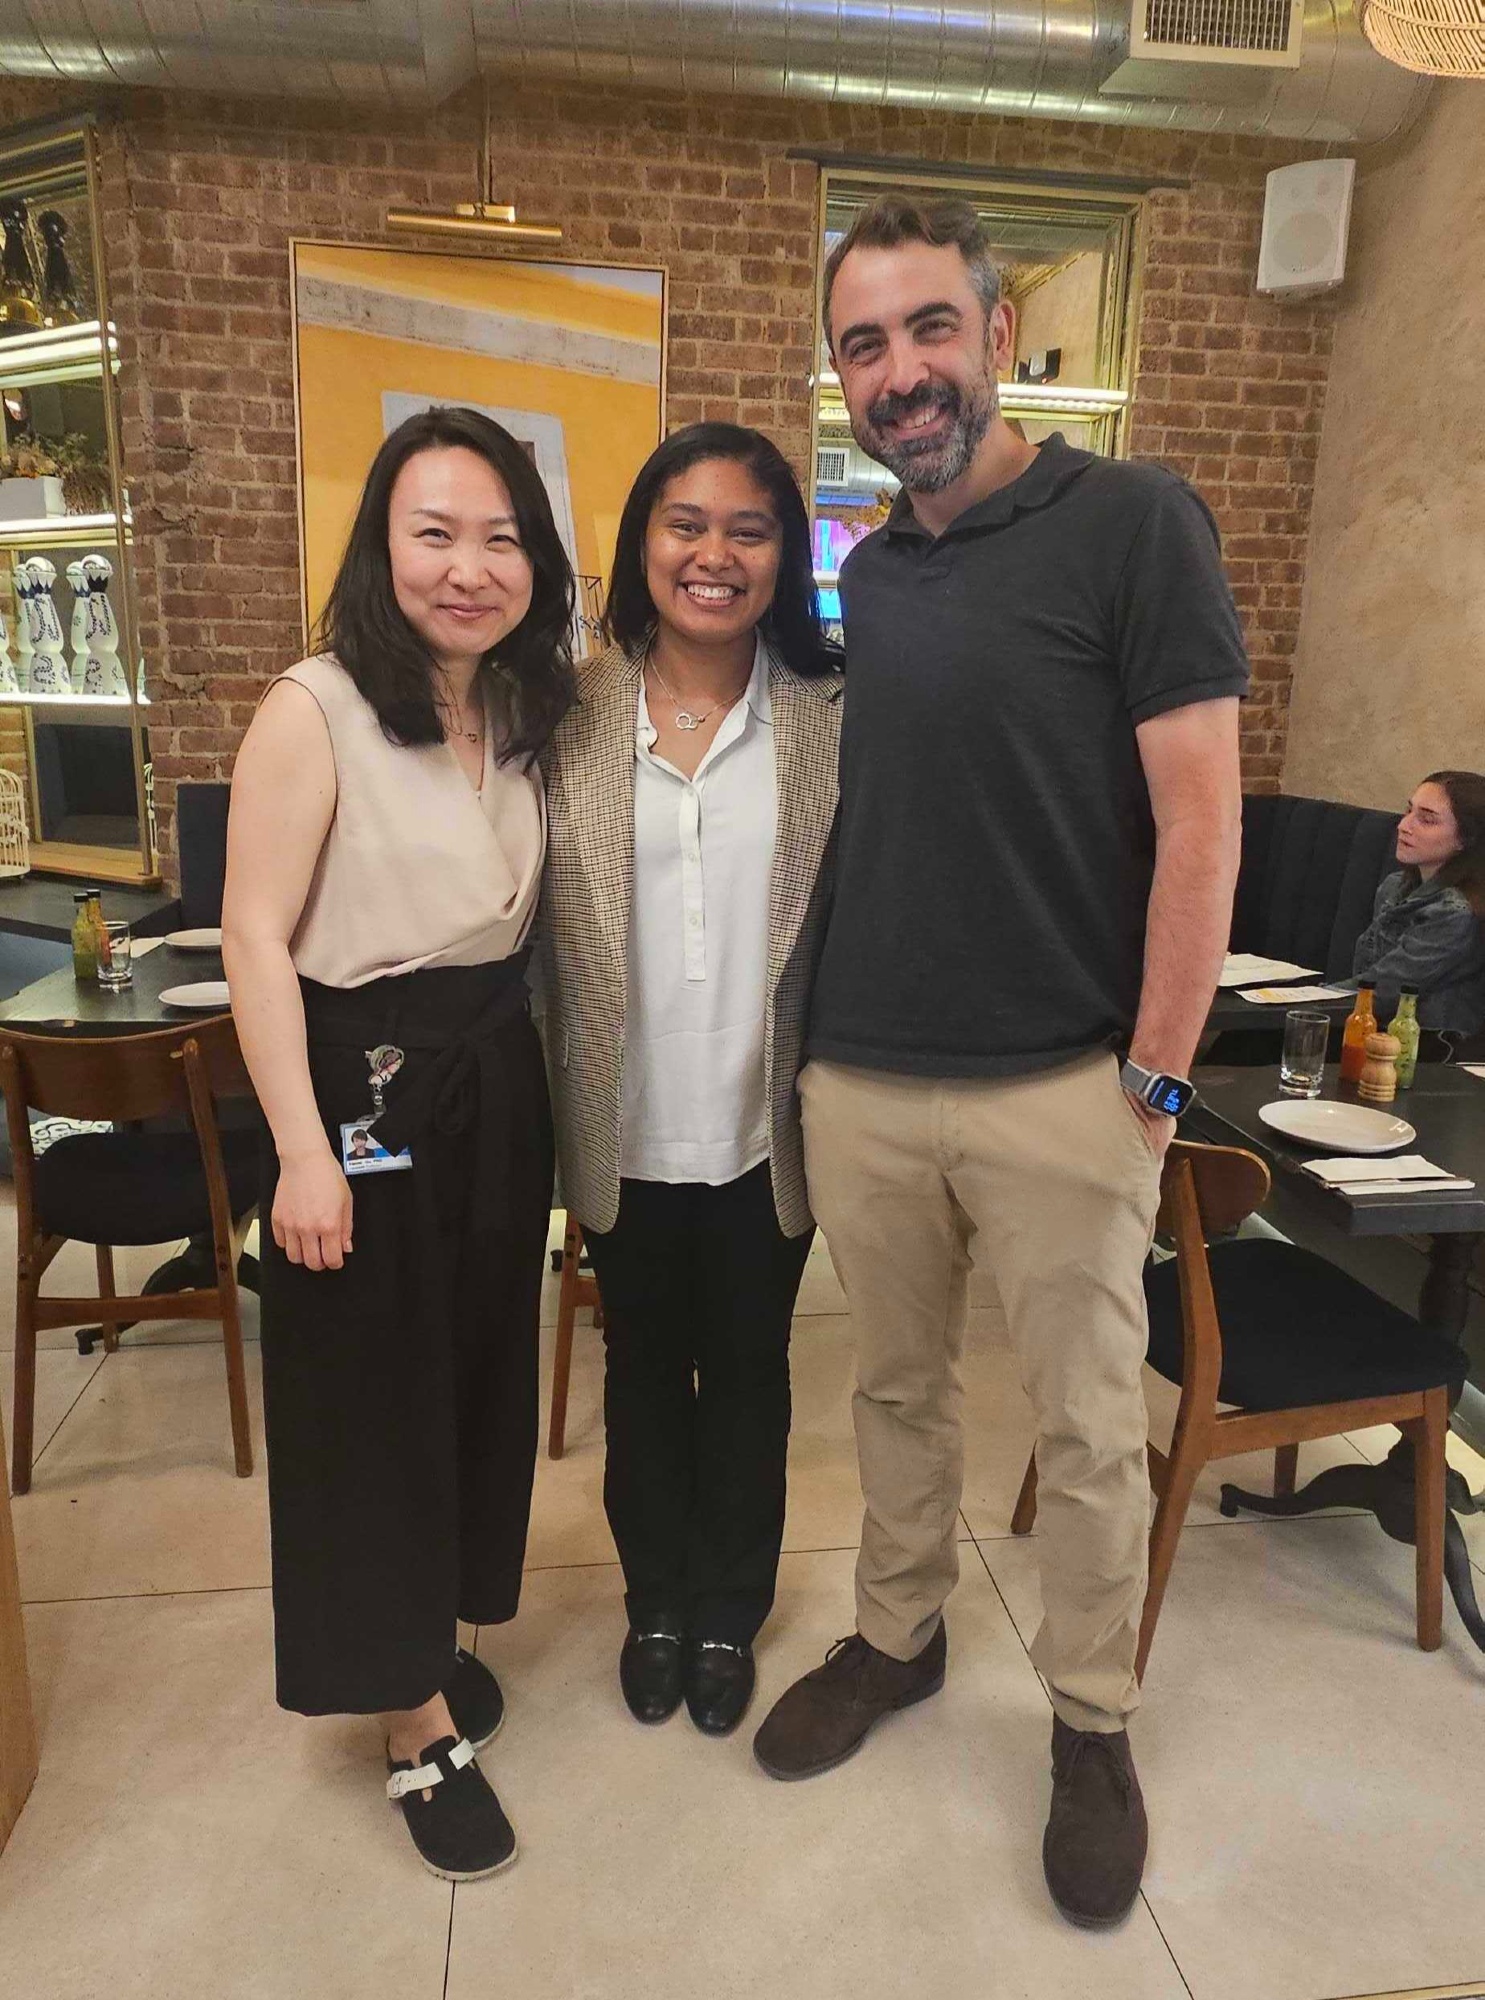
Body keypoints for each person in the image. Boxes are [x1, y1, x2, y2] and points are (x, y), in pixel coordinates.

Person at [750, 195, 1249, 1929]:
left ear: (999, 335)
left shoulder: (1135, 521)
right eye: (863, 346)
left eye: (929, 329)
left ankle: (1092, 1724)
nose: (899, 373)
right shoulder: (873, 575)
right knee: (891, 1393)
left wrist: (1158, 1084)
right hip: (866, 1072)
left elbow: (1203, 827)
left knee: (1091, 1429)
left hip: (1065, 1083)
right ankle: (897, 1638)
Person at [222, 406, 574, 1883]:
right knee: (370, 1402)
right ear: (381, 545)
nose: (467, 566)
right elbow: (252, 935)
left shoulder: (522, 706)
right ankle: (409, 1718)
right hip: (359, 1092)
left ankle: (428, 1632)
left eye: (500, 537)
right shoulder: (314, 707)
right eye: (435, 533)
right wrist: (301, 1151)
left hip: (491, 1080)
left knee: (471, 1379)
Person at [537, 423, 843, 1740]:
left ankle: (728, 1607)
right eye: (685, 524)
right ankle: (654, 1600)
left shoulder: (831, 715)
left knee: (754, 1372)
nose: (714, 554)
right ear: (641, 543)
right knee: (644, 1370)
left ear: (783, 555)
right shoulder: (567, 710)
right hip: (621, 1119)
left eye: (748, 529)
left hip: (768, 1122)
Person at [1351, 770, 1485, 1042]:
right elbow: (1368, 980)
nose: (1404, 826)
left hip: (1432, 1050)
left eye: (1427, 819)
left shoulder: (1456, 912)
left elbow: (1384, 990)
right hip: (1378, 1034)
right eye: (1408, 811)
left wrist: (1301, 1001)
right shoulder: (1394, 886)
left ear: (1465, 839)